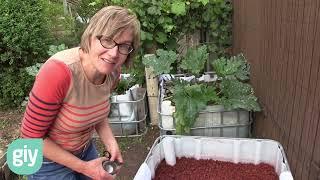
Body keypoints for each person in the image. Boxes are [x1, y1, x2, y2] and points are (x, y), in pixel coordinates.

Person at [19, 5, 140, 180]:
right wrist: (85, 168)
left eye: (124, 46)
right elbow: (30, 138)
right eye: (107, 40)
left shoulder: (112, 72)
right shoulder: (58, 72)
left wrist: (110, 142)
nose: (114, 53)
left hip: (84, 150)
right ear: (90, 36)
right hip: (47, 163)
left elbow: (96, 112)